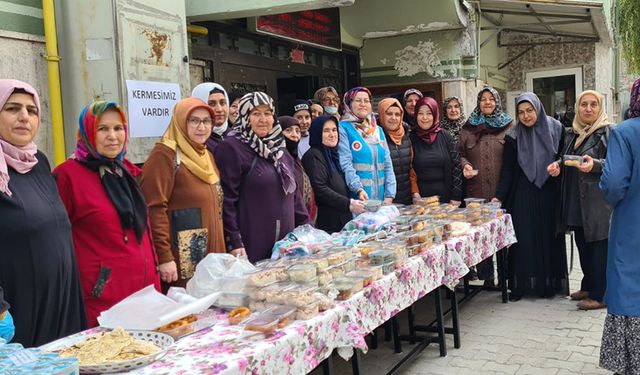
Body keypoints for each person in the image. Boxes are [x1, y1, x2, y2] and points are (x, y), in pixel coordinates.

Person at [53, 101, 160, 327]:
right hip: (103, 299)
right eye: (102, 129)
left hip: (144, 292)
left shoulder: (126, 172)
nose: (112, 136)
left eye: (118, 128)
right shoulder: (67, 177)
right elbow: (57, 240)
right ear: (87, 132)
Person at [0, 79, 86, 346]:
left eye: (32, 110)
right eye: (12, 108)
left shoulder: (38, 162)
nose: (24, 117)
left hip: (62, 303)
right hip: (20, 308)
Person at [141, 97, 226, 289]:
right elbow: (154, 207)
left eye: (206, 121)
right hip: (184, 253)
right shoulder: (165, 155)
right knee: (188, 312)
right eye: (193, 120)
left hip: (213, 251)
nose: (201, 127)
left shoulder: (206, 155)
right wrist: (164, 256)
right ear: (180, 122)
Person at [214, 92, 309, 262]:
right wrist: (234, 242)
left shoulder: (280, 149)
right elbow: (226, 201)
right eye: (256, 113)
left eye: (267, 113)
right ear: (244, 116)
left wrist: (308, 230)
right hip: (252, 243)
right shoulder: (232, 147)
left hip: (287, 246)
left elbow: (294, 196)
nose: (263, 119)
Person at [495, 92, 567, 301]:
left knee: (547, 237)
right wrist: (498, 196)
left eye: (529, 110)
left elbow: (564, 156)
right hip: (523, 193)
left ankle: (547, 286)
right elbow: (507, 169)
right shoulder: (513, 135)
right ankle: (521, 285)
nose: (526, 116)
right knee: (524, 239)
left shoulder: (556, 128)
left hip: (548, 192)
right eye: (521, 112)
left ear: (538, 108)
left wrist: (559, 165)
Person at [547, 90, 611, 310]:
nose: (589, 109)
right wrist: (558, 164)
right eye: (584, 104)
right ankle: (588, 284)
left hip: (597, 202)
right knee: (583, 245)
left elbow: (614, 163)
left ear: (600, 108)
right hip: (576, 201)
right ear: (578, 107)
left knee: (598, 249)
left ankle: (600, 294)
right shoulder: (572, 133)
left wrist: (595, 165)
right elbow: (567, 158)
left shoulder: (607, 132)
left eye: (594, 104)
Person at [598, 79, 640, 375]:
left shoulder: (625, 132)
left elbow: (613, 183)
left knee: (628, 286)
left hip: (632, 225)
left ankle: (630, 363)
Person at [457, 86, 514, 286]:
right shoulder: (468, 127)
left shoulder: (508, 126)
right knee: (481, 236)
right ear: (478, 103)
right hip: (477, 192)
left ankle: (505, 279)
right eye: (483, 99)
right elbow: (461, 153)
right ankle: (487, 278)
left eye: (491, 99)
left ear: (497, 102)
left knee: (503, 237)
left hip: (502, 191)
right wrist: (466, 165)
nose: (487, 102)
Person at [302, 115, 365, 233]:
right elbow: (320, 189)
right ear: (317, 133)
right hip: (328, 223)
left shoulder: (333, 154)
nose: (332, 134)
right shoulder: (314, 156)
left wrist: (358, 191)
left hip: (341, 219)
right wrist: (348, 204)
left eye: (334, 130)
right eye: (326, 131)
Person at [338, 87, 396, 203]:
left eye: (366, 101)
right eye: (358, 100)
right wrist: (358, 189)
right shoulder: (343, 128)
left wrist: (390, 194)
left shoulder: (377, 130)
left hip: (381, 200)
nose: (363, 104)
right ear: (349, 104)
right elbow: (345, 163)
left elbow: (387, 164)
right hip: (358, 199)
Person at [409, 96, 462, 203]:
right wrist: (414, 194)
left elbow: (457, 167)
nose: (424, 117)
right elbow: (408, 170)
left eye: (429, 113)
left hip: (447, 199)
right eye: (420, 113)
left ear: (435, 114)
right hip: (419, 200)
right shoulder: (410, 138)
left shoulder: (446, 136)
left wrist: (456, 197)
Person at [279, 115, 317, 222]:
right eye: (288, 130)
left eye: (297, 131)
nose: (294, 135)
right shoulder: (279, 162)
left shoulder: (297, 162)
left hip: (305, 221)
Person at [378, 98, 413, 205]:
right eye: (389, 114)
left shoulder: (406, 136)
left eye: (397, 114)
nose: (394, 118)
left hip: (407, 200)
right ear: (382, 115)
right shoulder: (375, 137)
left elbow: (411, 170)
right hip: (385, 201)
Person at [192, 82, 231, 152]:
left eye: (222, 103)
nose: (219, 109)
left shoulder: (238, 137)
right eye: (211, 104)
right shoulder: (197, 142)